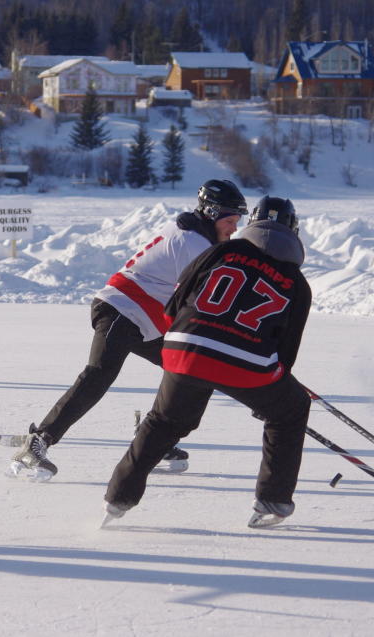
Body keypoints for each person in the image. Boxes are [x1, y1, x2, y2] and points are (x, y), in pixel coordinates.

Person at [8, 179, 249, 481]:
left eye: (237, 222)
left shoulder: (199, 238)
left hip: (145, 319)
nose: (234, 228)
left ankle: (153, 439)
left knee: (189, 373)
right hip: (122, 308)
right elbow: (205, 303)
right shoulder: (194, 244)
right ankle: (37, 442)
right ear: (212, 214)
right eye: (230, 221)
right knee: (98, 374)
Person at [101, 196, 312, 529]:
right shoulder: (297, 283)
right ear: (294, 231)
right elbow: (286, 351)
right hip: (246, 362)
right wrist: (271, 385)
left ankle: (118, 498)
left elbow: (177, 300)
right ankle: (273, 500)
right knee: (291, 409)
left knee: (165, 421)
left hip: (186, 345)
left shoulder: (222, 251)